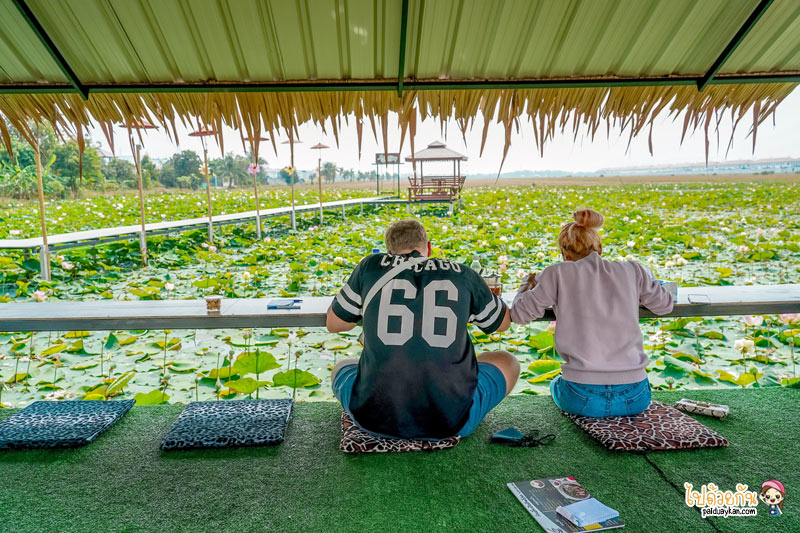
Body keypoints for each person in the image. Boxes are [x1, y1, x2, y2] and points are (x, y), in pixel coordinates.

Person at [327, 219, 520, 440]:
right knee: (507, 361)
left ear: (390, 251)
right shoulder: (463, 274)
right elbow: (501, 323)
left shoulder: (370, 266)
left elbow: (334, 324)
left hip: (373, 421)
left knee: (342, 366)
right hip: (452, 422)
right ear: (428, 247)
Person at [511, 208, 673, 417]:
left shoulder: (557, 273)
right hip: (636, 396)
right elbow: (664, 306)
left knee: (555, 383)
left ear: (565, 254)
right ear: (601, 248)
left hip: (581, 397)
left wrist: (526, 285)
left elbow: (519, 315)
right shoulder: (633, 270)